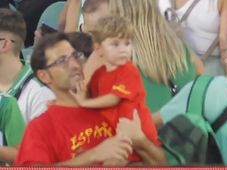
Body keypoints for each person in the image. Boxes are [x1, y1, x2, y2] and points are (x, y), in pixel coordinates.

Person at [16, 30, 161, 165]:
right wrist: (93, 156)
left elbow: (165, 162)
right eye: (62, 61)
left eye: (75, 56)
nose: (74, 65)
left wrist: (141, 141)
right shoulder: (41, 127)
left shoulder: (113, 102)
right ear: (44, 76)